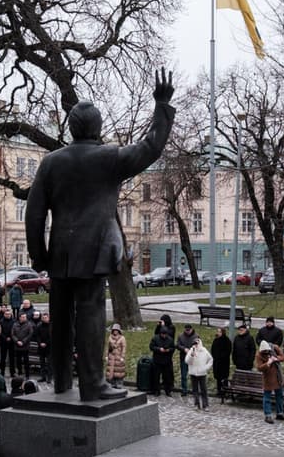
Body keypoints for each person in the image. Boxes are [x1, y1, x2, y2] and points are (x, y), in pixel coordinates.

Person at [24, 70, 175, 401]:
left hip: (60, 252)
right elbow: (151, 147)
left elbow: (34, 213)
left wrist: (39, 257)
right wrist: (161, 106)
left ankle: (62, 381)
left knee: (60, 319)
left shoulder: (51, 162)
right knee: (90, 316)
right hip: (94, 252)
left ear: (72, 128)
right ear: (98, 128)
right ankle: (92, 384)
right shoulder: (109, 157)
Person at [255, 340, 284, 424]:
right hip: (267, 378)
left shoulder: (275, 347)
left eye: (267, 351)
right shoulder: (259, 355)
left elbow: (283, 357)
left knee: (279, 395)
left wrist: (276, 358)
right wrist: (268, 363)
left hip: (278, 376)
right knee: (267, 397)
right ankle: (268, 415)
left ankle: (279, 413)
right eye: (264, 351)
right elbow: (259, 368)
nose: (266, 352)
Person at [185, 336, 213, 410]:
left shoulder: (204, 351)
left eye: (197, 343)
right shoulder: (191, 350)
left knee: (203, 390)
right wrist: (191, 355)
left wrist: (206, 368)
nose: (196, 345)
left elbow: (210, 360)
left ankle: (205, 405)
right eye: (195, 343)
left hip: (202, 373)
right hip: (193, 373)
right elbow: (187, 361)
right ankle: (196, 404)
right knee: (195, 390)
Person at [149, 323, 176, 397]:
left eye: (165, 334)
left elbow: (173, 348)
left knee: (167, 377)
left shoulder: (170, 339)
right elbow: (151, 347)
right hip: (157, 360)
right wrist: (159, 349)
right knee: (156, 377)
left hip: (167, 361)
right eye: (162, 334)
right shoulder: (155, 338)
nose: (164, 336)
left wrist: (168, 350)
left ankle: (168, 390)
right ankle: (157, 390)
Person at [175, 324, 196, 398]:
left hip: (193, 359)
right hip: (183, 358)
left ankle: (195, 390)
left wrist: (191, 350)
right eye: (186, 330)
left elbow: (199, 346)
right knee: (184, 375)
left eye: (188, 330)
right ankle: (184, 390)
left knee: (194, 375)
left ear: (191, 329)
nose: (187, 332)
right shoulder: (181, 336)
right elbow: (177, 345)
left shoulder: (196, 336)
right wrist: (184, 349)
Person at [211, 327, 232, 398]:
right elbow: (212, 350)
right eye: (218, 331)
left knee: (224, 377)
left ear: (223, 332)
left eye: (220, 332)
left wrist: (221, 357)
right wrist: (215, 357)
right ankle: (219, 390)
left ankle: (225, 391)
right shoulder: (215, 340)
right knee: (218, 377)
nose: (218, 333)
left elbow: (228, 351)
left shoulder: (227, 341)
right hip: (216, 362)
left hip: (224, 363)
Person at [105, 324, 127, 389]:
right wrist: (106, 355)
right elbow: (107, 347)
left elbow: (124, 347)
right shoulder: (110, 337)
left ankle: (119, 383)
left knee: (119, 371)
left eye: (116, 330)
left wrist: (122, 356)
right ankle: (112, 383)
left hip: (119, 356)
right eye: (114, 330)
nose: (115, 331)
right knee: (112, 371)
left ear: (119, 331)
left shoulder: (122, 338)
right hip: (111, 357)